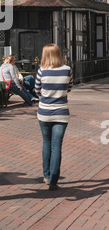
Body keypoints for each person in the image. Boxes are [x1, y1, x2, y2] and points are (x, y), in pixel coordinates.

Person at [35, 43, 73, 191]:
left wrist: (46, 96)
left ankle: (46, 175)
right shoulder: (67, 70)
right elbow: (69, 88)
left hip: (44, 111)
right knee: (57, 146)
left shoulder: (42, 71)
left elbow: (37, 90)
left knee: (46, 142)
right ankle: (53, 180)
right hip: (61, 112)